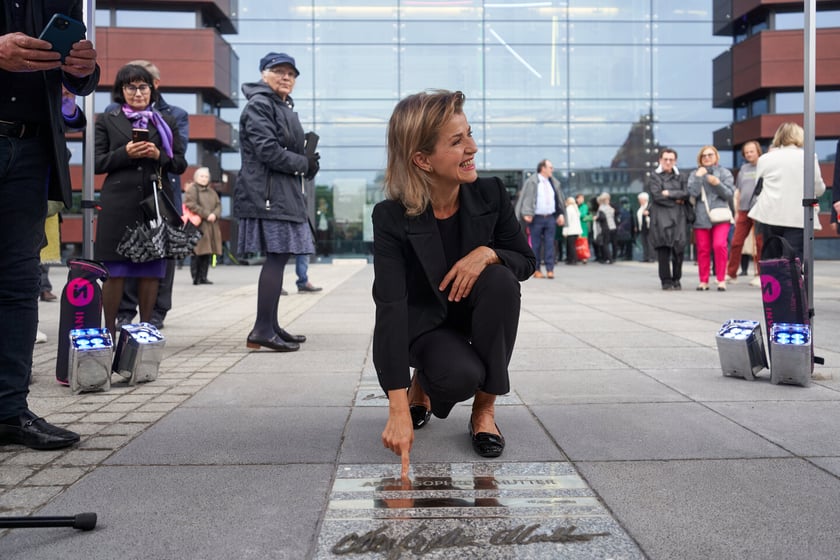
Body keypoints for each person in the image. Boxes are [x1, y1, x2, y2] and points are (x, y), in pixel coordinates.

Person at [373, 90, 535, 477]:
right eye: (457, 141)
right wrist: (397, 410)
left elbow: (527, 261)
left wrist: (488, 253)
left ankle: (484, 411)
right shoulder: (391, 217)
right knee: (457, 376)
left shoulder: (490, 193)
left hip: (473, 312)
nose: (473, 147)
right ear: (422, 159)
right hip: (425, 326)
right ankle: (420, 387)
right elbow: (391, 308)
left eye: (470, 134)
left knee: (501, 280)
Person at [0, 2, 99, 450]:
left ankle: (9, 412)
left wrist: (82, 70)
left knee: (19, 283)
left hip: (31, 147)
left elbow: (76, 80)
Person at [234, 52, 319, 352]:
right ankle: (261, 329)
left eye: (291, 74)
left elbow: (285, 152)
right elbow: (267, 150)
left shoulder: (280, 106)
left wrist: (308, 161)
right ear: (263, 74)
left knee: (280, 257)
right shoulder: (259, 105)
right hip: (266, 195)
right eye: (279, 71)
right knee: (276, 257)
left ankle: (270, 326)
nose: (286, 77)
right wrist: (303, 163)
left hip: (281, 193)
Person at [94, 64, 187, 336]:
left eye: (143, 86)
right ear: (121, 91)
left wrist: (159, 155)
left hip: (153, 202)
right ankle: (108, 332)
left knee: (150, 270)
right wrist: (126, 152)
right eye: (131, 87)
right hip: (117, 203)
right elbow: (97, 163)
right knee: (115, 270)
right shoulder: (107, 120)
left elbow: (179, 163)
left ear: (152, 89)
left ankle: (146, 333)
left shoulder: (166, 122)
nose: (137, 93)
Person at [749, 122, 826, 262]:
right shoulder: (808, 157)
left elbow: (758, 188)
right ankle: (793, 284)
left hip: (769, 216)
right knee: (793, 263)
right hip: (797, 218)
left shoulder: (765, 159)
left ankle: (774, 285)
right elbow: (819, 189)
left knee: (772, 261)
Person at [687, 145, 735, 291]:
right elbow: (692, 193)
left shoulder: (724, 172)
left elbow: (729, 194)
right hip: (701, 217)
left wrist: (717, 183)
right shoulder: (695, 173)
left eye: (710, 155)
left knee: (719, 245)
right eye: (704, 156)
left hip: (721, 215)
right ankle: (703, 280)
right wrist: (698, 178)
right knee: (703, 249)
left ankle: (721, 279)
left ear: (716, 157)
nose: (707, 158)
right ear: (700, 159)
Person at [648, 148, 690, 291]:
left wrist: (669, 193)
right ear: (660, 160)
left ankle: (677, 279)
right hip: (661, 218)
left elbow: (686, 194)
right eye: (665, 159)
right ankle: (666, 280)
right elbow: (657, 196)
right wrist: (676, 199)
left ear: (675, 161)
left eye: (671, 159)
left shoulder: (682, 176)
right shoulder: (654, 176)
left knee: (679, 250)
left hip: (679, 217)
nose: (668, 162)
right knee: (663, 250)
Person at [518, 159, 565, 278]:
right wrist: (526, 212)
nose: (552, 170)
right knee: (536, 245)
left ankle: (550, 269)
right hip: (536, 218)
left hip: (550, 218)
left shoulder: (553, 182)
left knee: (550, 244)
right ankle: (536, 269)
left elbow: (558, 200)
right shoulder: (532, 181)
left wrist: (560, 214)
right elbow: (527, 197)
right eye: (550, 167)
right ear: (543, 168)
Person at [725, 140, 763, 284]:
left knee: (759, 243)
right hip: (743, 210)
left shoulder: (764, 166)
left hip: (759, 210)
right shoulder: (744, 169)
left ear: (758, 151)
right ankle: (731, 273)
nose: (748, 154)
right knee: (736, 242)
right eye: (746, 152)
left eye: (751, 151)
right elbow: (739, 191)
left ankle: (760, 275)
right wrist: (737, 210)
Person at [183, 167, 222, 285]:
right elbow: (191, 204)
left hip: (210, 226)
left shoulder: (212, 191)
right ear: (196, 177)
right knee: (197, 252)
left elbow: (218, 205)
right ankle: (196, 277)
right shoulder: (192, 190)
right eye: (202, 176)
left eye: (206, 176)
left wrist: (214, 215)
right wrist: (206, 214)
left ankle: (204, 277)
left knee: (207, 252)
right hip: (199, 226)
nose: (204, 179)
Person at [593, 192, 617, 263]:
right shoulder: (610, 207)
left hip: (605, 227)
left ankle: (609, 258)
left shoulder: (602, 208)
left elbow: (602, 217)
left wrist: (596, 218)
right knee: (611, 243)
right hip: (612, 226)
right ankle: (610, 257)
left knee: (605, 243)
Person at [562, 197, 582, 265]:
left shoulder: (568, 209)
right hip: (576, 231)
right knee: (573, 246)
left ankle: (572, 259)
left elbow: (567, 222)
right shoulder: (576, 209)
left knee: (571, 246)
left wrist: (565, 231)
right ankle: (573, 259)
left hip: (570, 231)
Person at [636, 191, 654, 262]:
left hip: (649, 227)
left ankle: (651, 257)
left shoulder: (650, 206)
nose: (639, 201)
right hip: (642, 227)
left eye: (640, 199)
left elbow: (654, 216)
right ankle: (646, 257)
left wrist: (649, 214)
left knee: (650, 243)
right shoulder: (641, 208)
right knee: (644, 243)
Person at [576, 193, 592, 263]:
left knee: (583, 241)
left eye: (582, 198)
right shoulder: (575, 206)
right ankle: (579, 255)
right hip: (576, 226)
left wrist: (576, 214)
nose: (581, 200)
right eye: (579, 198)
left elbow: (582, 215)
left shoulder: (584, 206)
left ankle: (584, 257)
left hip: (582, 226)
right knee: (577, 242)